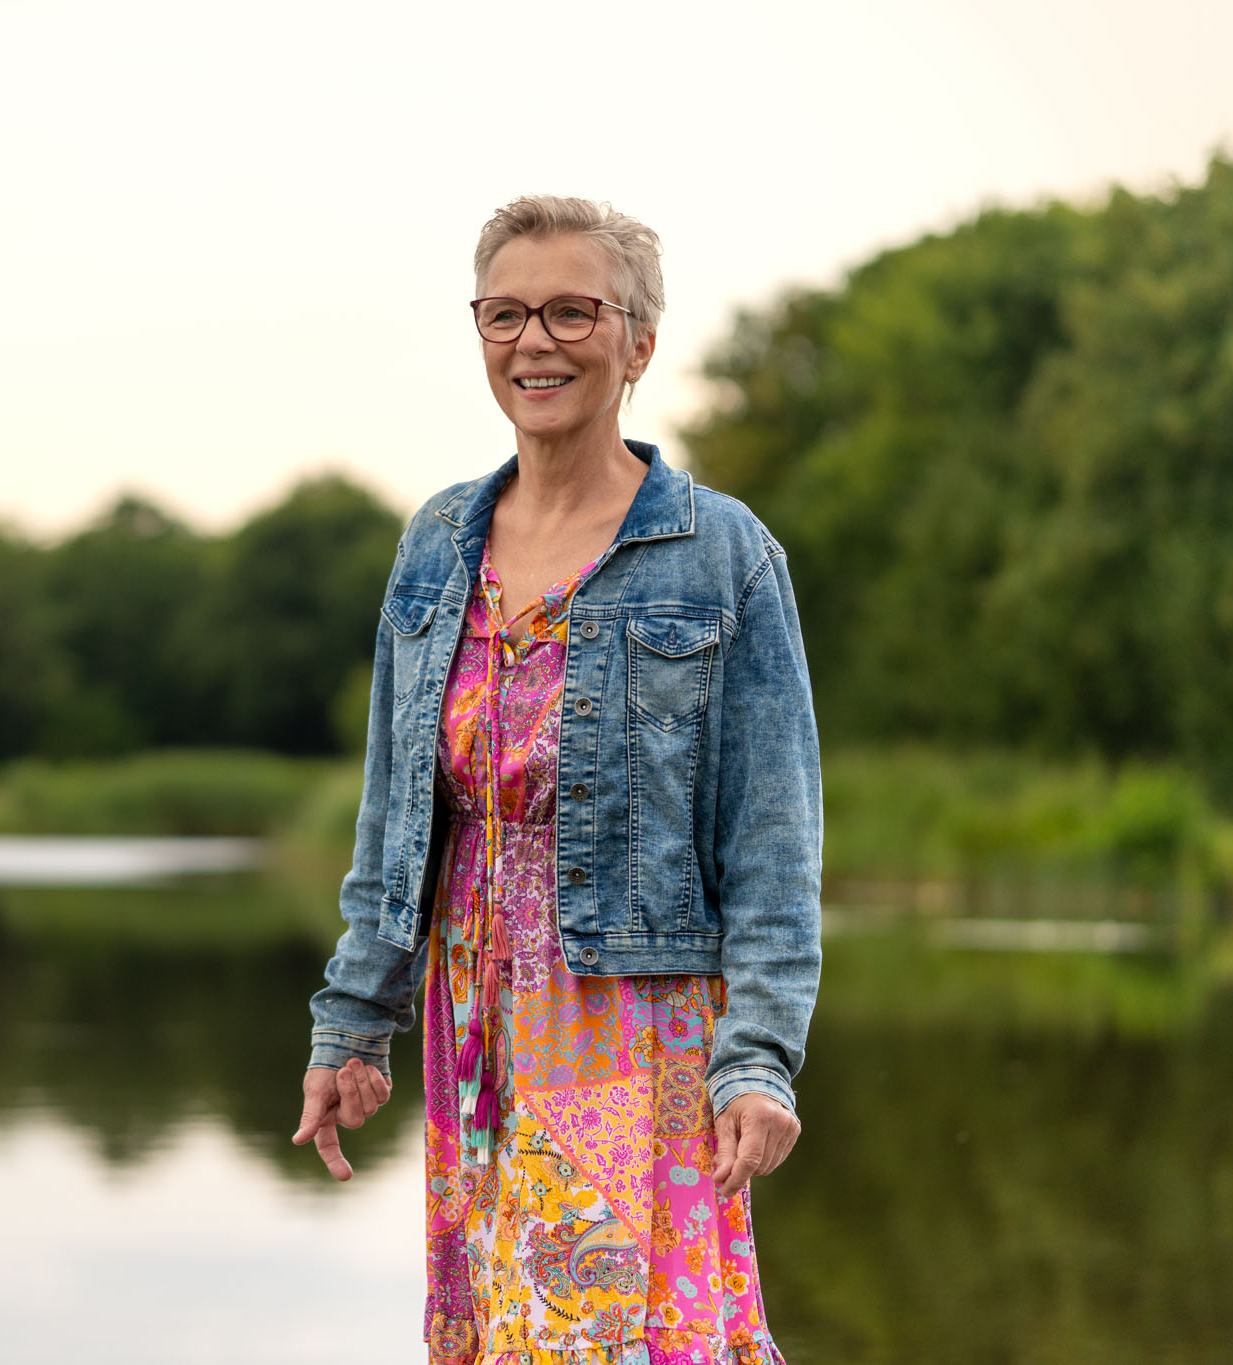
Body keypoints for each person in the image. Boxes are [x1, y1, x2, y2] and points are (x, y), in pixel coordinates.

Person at [292, 195, 821, 1365]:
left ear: (637, 340)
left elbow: (773, 845)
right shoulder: (436, 540)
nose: (535, 342)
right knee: (505, 1328)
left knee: (621, 1331)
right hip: (472, 1013)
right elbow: (395, 817)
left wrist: (760, 1059)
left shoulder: (720, 551)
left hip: (631, 1020)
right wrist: (353, 1026)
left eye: (573, 312)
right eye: (505, 314)